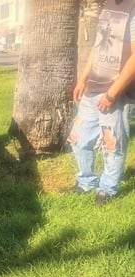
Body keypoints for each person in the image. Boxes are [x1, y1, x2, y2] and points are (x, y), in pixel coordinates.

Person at [69, 0, 135, 205]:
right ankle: (86, 181)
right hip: (93, 88)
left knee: (112, 143)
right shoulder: (107, 6)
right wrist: (82, 79)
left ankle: (107, 189)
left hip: (116, 92)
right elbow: (98, 47)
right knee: (78, 137)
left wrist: (112, 93)